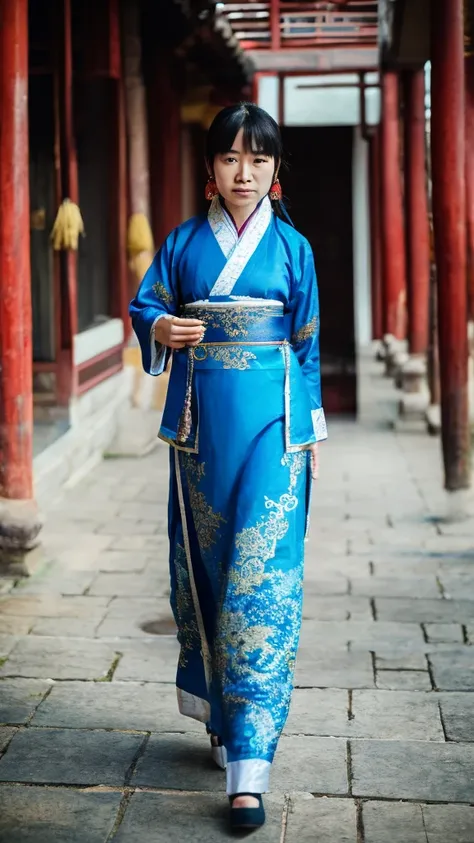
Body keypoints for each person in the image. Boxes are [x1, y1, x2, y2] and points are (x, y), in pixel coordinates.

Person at [130, 102, 327, 830]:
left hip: (274, 434)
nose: (245, 173)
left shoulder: (295, 250)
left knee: (262, 579)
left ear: (276, 173)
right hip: (200, 431)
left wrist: (306, 435)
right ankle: (221, 709)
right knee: (207, 574)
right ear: (210, 170)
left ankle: (249, 765)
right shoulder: (182, 245)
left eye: (259, 160)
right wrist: (160, 325)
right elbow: (144, 302)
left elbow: (305, 344)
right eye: (230, 158)